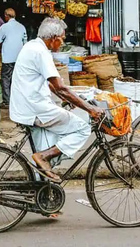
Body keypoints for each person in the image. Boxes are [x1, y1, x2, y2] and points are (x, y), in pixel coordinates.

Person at [10, 17, 104, 182]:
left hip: (26, 107)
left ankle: (43, 189)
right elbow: (60, 86)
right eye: (62, 38)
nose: (62, 42)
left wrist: (67, 98)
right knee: (82, 129)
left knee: (48, 145)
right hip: (35, 109)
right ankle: (44, 157)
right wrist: (90, 109)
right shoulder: (41, 53)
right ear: (53, 38)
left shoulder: (32, 46)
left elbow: (51, 85)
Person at [0, 8, 28, 108]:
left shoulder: (4, 27)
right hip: (19, 58)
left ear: (6, 16)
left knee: (6, 79)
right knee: (17, 79)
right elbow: (25, 42)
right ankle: (16, 100)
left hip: (8, 58)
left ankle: (7, 101)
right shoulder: (22, 27)